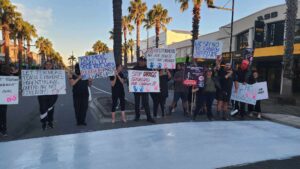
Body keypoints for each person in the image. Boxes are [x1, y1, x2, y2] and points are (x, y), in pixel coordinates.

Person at [133, 57, 155, 123]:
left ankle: (149, 117)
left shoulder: (148, 69)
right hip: (136, 89)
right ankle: (137, 116)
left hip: (145, 89)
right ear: (139, 61)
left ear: (145, 62)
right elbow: (131, 78)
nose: (142, 62)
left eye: (144, 61)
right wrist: (130, 86)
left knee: (146, 103)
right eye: (141, 61)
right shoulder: (134, 68)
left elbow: (153, 77)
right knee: (137, 103)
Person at [37, 61, 58, 130]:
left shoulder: (56, 74)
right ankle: (44, 123)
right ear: (44, 66)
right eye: (47, 64)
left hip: (53, 95)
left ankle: (50, 122)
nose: (48, 66)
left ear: (52, 66)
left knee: (51, 108)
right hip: (42, 95)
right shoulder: (39, 73)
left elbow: (59, 83)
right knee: (43, 108)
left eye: (50, 64)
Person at [0, 64, 15, 136]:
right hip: (3, 99)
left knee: (2, 115)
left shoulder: (6, 75)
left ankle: (3, 129)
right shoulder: (7, 75)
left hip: (3, 98)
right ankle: (3, 130)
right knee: (3, 115)